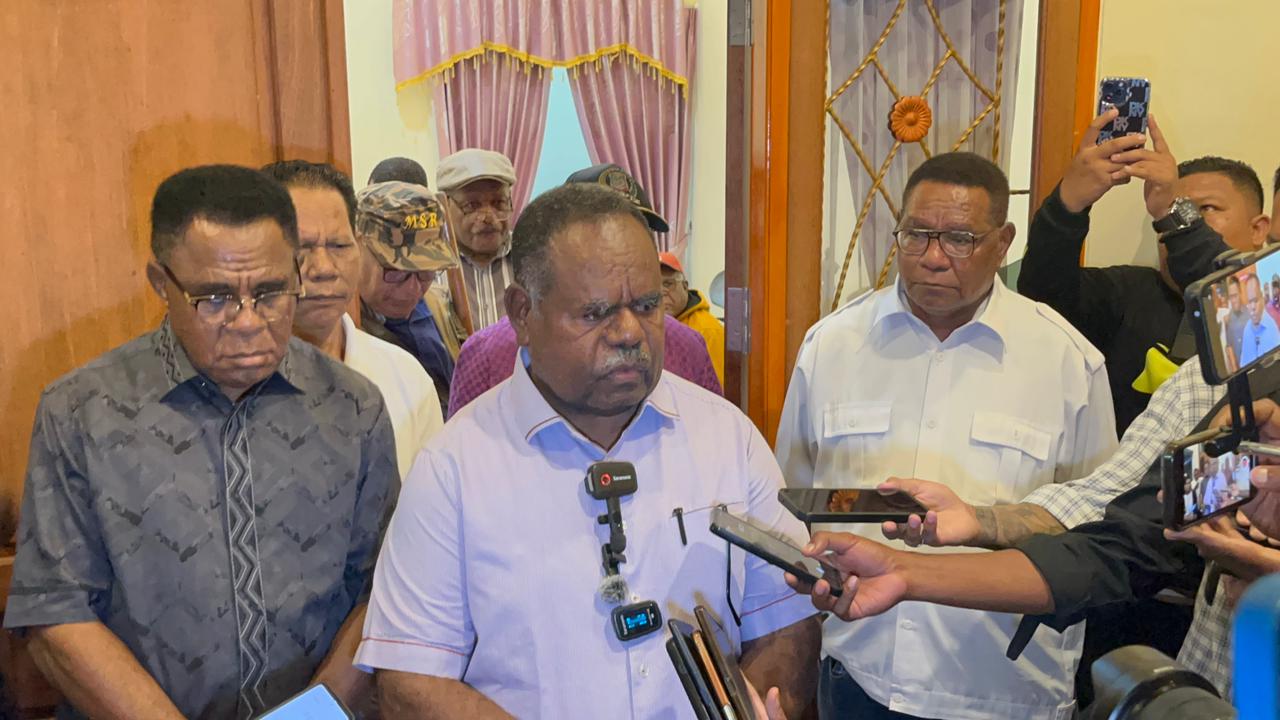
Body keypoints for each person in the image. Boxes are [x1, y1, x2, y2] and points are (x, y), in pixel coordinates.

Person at [356, 184, 821, 718]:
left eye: (647, 306)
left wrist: (751, 706)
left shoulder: (728, 438)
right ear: (522, 312)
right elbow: (411, 679)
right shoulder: (452, 470)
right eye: (595, 313)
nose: (629, 332)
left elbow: (787, 620)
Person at [3, 165, 398, 719]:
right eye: (214, 297)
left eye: (270, 292)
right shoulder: (82, 411)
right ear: (160, 282)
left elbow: (382, 592)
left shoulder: (353, 408)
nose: (247, 322)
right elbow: (57, 611)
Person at [776, 152, 1117, 720]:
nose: (933, 258)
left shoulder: (1065, 361)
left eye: (960, 239)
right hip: (860, 673)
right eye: (916, 235)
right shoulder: (831, 346)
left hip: (1003, 689)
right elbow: (794, 504)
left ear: (1003, 243)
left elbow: (1097, 530)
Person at [793, 392, 1280, 703]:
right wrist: (909, 568)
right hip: (1207, 696)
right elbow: (1118, 539)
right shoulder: (1221, 380)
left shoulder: (1069, 353)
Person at [1018, 109, 1268, 435]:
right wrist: (1068, 204)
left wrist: (1174, 213)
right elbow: (1041, 296)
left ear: (1258, 229)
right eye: (1171, 211)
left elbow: (1239, 302)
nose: (1177, 221)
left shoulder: (1268, 307)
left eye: (1205, 209)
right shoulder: (1126, 292)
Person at [446, 165, 724, 417]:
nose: (628, 333)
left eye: (638, 227)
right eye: (596, 231)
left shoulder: (688, 346)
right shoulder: (485, 354)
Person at [263, 160, 444, 478]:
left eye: (338, 245)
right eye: (300, 248)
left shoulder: (406, 378)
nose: (323, 268)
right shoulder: (224, 387)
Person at [356, 181, 460, 417]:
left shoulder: (438, 307)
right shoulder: (337, 331)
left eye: (426, 272)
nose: (412, 290)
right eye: (396, 272)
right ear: (356, 248)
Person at [436, 148, 518, 329]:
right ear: (444, 206)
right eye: (472, 205)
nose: (488, 217)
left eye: (499, 203)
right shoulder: (429, 268)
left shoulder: (531, 257)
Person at [658, 251, 726, 384]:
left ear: (685, 286)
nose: (661, 292)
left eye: (668, 284)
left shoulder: (708, 331)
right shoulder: (648, 326)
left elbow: (716, 390)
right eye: (654, 285)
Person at [1240, 274, 1280, 365]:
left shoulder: (1272, 327)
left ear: (1261, 298)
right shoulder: (1247, 330)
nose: (1253, 307)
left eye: (1255, 300)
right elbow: (1244, 364)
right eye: (1249, 302)